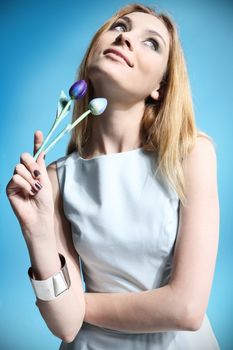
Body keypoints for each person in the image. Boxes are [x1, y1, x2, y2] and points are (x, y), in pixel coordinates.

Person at [6, 3, 220, 349]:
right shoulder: (54, 179)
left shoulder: (192, 154)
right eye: (119, 27)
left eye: (151, 42)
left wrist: (79, 305)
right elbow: (64, 325)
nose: (126, 39)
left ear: (160, 88)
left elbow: (187, 308)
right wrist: (36, 230)